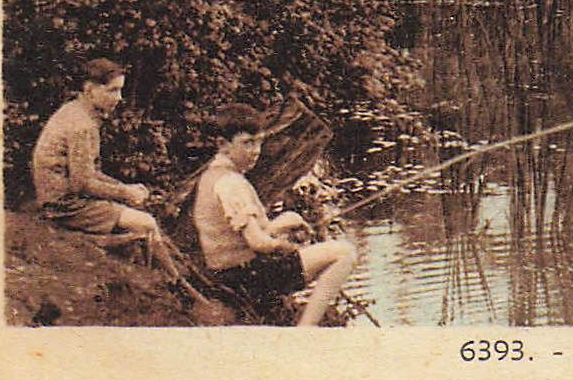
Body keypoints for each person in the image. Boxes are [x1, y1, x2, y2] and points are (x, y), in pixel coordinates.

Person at [193, 103, 356, 326]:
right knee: (344, 253)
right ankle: (305, 329)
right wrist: (288, 248)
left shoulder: (211, 177)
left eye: (259, 141)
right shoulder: (232, 183)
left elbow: (239, 235)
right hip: (248, 280)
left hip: (226, 276)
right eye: (247, 143)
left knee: (307, 241)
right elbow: (258, 243)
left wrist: (286, 221)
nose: (256, 150)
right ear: (223, 144)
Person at [30, 57, 177, 273]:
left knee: (138, 213)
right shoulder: (82, 126)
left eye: (120, 91)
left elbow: (90, 172)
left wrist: (124, 187)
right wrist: (125, 193)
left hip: (60, 198)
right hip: (65, 207)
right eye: (112, 90)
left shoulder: (74, 111)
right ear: (90, 89)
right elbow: (82, 183)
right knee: (147, 223)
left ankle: (165, 276)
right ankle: (174, 282)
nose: (118, 98)